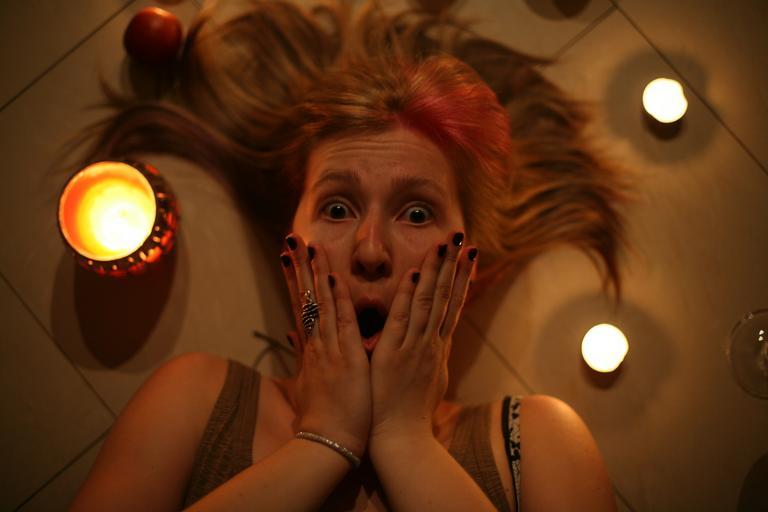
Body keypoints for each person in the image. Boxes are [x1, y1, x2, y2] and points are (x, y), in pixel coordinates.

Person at [69, 1, 634, 510]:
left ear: (468, 261)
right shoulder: (193, 398)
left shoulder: (541, 441)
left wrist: (405, 438)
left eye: (417, 213)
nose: (370, 250)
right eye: (337, 208)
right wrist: (323, 440)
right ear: (291, 242)